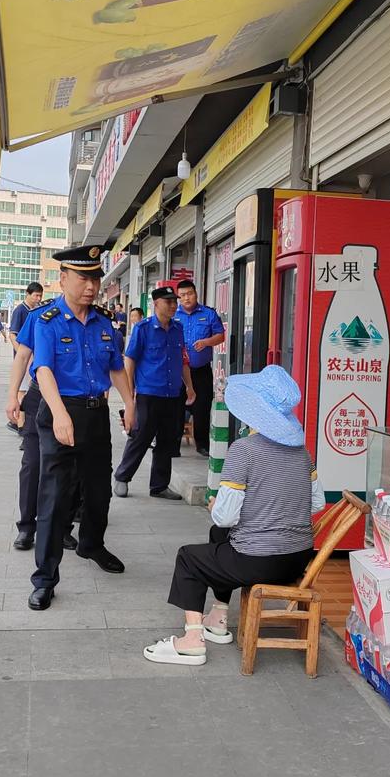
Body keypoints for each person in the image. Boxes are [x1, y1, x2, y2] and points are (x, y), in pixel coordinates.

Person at [145, 365, 324, 665]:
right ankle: (217, 618)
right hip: (298, 557)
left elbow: (225, 517)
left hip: (258, 560)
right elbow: (316, 503)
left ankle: (191, 641)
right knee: (219, 539)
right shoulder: (302, 453)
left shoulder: (244, 450)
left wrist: (216, 505)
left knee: (188, 558)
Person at [27, 243, 136, 611]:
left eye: (96, 277)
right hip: (61, 409)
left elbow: (116, 367)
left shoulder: (105, 321)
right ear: (63, 279)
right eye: (83, 277)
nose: (91, 285)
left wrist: (131, 403)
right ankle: (44, 577)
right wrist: (59, 414)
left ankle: (92, 544)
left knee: (98, 490)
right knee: (55, 497)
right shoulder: (46, 321)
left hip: (95, 415)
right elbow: (42, 370)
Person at [5, 290, 80, 554]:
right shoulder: (39, 316)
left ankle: (62, 528)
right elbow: (23, 356)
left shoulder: (90, 318)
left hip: (72, 400)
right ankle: (26, 526)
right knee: (34, 464)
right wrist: (13, 394)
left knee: (70, 469)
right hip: (39, 397)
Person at [114, 286, 194, 501]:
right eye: (168, 302)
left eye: (174, 302)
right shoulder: (143, 328)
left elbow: (182, 360)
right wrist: (129, 394)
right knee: (141, 437)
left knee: (168, 441)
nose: (173, 306)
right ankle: (122, 477)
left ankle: (159, 486)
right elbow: (130, 360)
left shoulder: (178, 328)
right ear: (156, 304)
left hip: (172, 394)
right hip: (149, 393)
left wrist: (189, 386)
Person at [174, 278, 225, 457]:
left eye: (189, 294)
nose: (186, 298)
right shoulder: (173, 315)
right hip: (178, 371)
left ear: (196, 294)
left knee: (202, 407)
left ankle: (202, 444)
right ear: (178, 298)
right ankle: (174, 444)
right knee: (176, 406)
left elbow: (220, 336)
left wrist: (206, 342)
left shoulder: (208, 314)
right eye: (182, 295)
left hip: (201, 369)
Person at [6, 283, 45, 434]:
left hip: (34, 360)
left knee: (31, 393)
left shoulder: (37, 311)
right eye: (35, 295)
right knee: (22, 393)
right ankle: (21, 426)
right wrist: (24, 354)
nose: (38, 298)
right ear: (27, 294)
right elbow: (12, 334)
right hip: (24, 361)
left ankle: (26, 424)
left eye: (40, 295)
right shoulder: (20, 311)